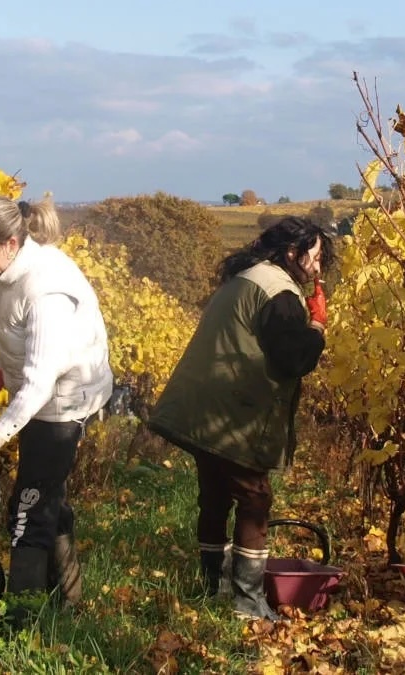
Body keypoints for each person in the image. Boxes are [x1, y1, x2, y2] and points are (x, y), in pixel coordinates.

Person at [145, 216, 334, 620]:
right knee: (254, 497)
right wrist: (317, 325)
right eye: (315, 258)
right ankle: (247, 602)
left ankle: (215, 586)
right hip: (233, 412)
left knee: (215, 495)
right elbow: (294, 359)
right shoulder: (280, 293)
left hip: (202, 407)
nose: (318, 269)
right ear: (291, 253)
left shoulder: (247, 276)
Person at [0, 195, 112, 608]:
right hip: (39, 396)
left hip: (60, 404)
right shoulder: (5, 271)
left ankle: (23, 624)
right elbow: (16, 339)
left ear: (8, 242)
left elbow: (40, 382)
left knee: (27, 512)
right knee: (46, 501)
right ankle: (68, 604)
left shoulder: (46, 290)